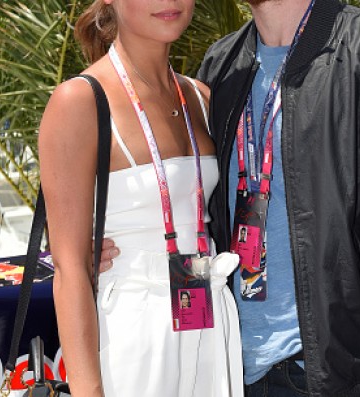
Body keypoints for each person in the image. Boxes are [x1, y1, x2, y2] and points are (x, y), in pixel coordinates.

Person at [100, 0, 360, 395]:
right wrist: (96, 245)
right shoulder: (221, 65)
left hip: (331, 372)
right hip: (225, 365)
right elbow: (184, 201)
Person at [38, 0, 243, 396]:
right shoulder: (78, 101)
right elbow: (69, 269)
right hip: (132, 331)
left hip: (208, 319)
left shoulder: (199, 97)